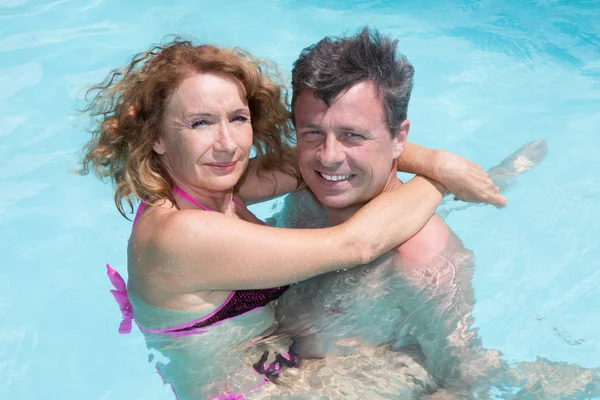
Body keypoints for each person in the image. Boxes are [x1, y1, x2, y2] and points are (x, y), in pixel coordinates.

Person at [79, 39, 503, 399]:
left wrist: (433, 159)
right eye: (200, 123)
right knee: (444, 374)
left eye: (237, 119)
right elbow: (356, 245)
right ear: (157, 136)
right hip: (249, 393)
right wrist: (440, 180)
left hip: (278, 372)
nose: (226, 144)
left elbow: (322, 157)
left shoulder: (211, 186)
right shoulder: (181, 232)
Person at [262, 28, 546, 399]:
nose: (328, 157)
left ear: (400, 138)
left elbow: (465, 377)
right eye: (312, 132)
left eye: (352, 135)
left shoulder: (421, 261)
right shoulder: (304, 193)